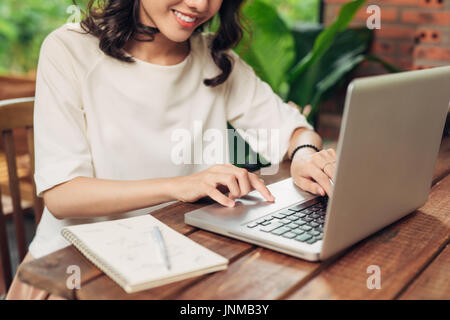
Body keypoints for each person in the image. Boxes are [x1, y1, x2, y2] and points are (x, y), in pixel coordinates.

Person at [6, 0, 336, 299]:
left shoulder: (215, 59)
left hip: (180, 260)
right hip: (75, 273)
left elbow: (293, 129)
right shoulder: (69, 49)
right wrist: (181, 185)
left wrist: (305, 155)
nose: (199, 4)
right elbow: (63, 195)